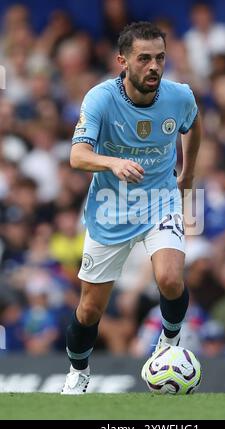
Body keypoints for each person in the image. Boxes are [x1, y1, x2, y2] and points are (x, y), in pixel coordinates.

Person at [61, 22, 201, 394]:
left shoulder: (180, 96)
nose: (154, 66)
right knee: (90, 309)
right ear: (123, 61)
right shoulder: (100, 99)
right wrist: (112, 163)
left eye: (160, 58)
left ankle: (168, 346)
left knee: (170, 279)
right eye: (144, 59)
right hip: (110, 208)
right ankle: (78, 372)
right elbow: (77, 155)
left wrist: (187, 175)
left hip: (160, 198)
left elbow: (193, 123)